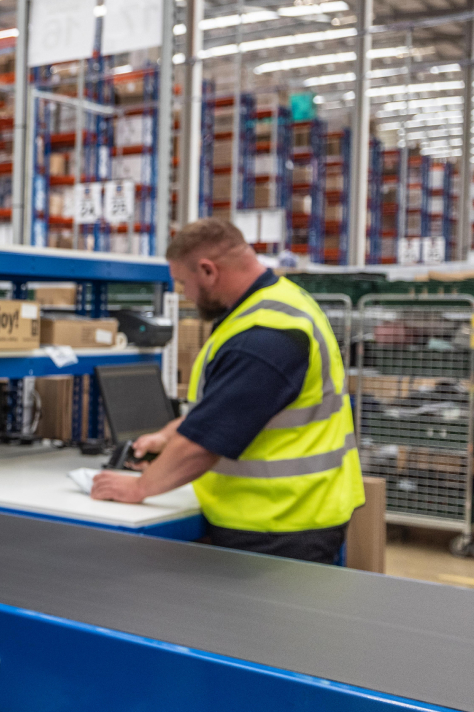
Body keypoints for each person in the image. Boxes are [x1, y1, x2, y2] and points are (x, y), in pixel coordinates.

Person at [93, 217, 363, 564]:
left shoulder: (265, 335)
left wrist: (138, 487)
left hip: (280, 523)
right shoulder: (278, 303)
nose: (185, 294)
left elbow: (205, 443)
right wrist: (167, 437)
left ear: (208, 271)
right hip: (287, 513)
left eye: (183, 282)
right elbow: (234, 408)